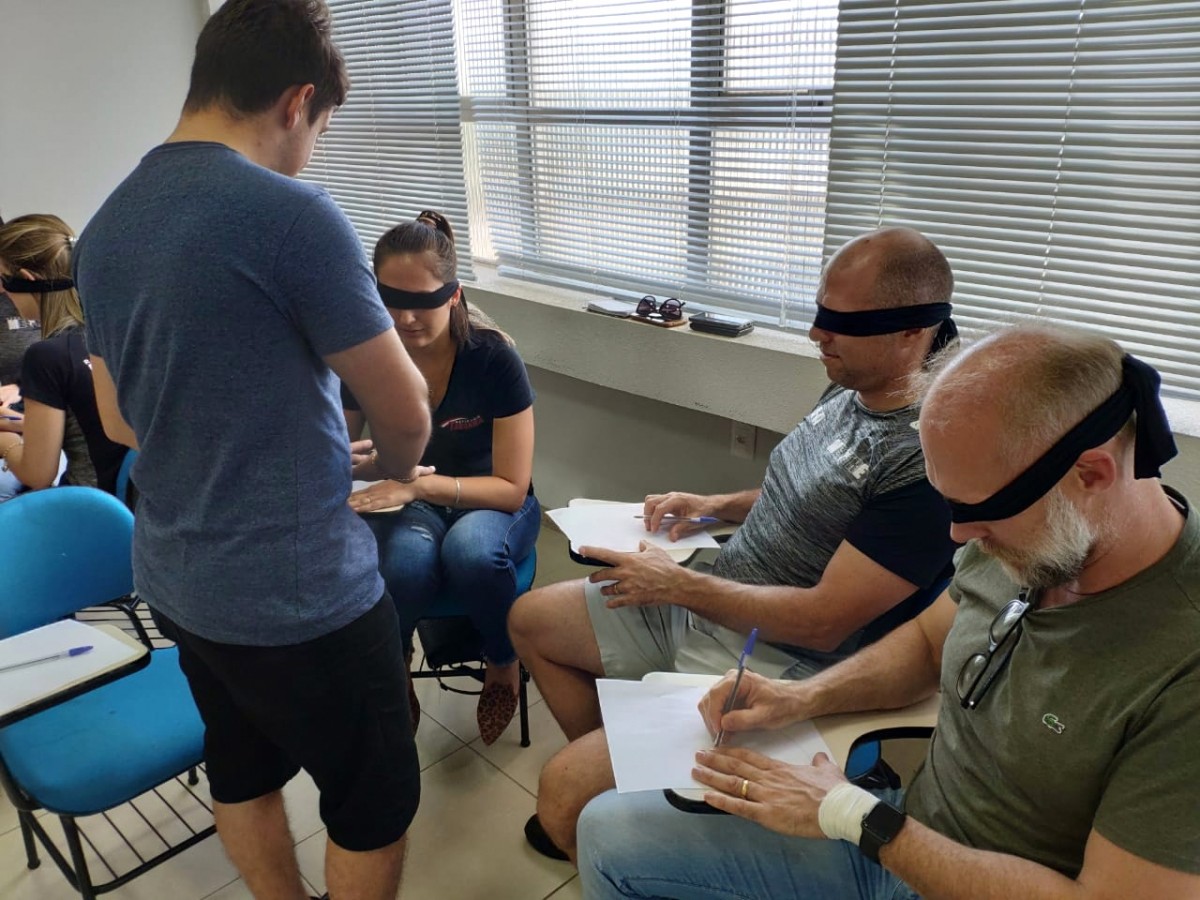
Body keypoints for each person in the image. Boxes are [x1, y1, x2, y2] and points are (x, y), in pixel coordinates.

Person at [576, 323, 1200, 900]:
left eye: (978, 512)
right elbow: (928, 644)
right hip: (907, 835)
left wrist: (856, 817)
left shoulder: (1180, 664)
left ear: (1091, 474)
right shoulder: (1032, 533)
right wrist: (800, 698)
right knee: (609, 831)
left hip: (944, 863)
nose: (959, 537)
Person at [73, 3, 430, 899]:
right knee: (374, 800)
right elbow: (407, 408)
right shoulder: (291, 215)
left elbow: (119, 422)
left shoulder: (105, 227)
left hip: (179, 581)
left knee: (241, 766)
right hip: (299, 595)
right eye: (322, 129)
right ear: (297, 102)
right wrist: (393, 468)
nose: (313, 150)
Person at [508, 226, 960, 859]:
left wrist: (680, 585)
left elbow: (825, 623)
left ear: (912, 331)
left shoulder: (926, 458)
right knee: (530, 619)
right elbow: (808, 492)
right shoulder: (855, 382)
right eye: (820, 312)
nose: (817, 334)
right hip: (714, 595)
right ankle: (635, 778)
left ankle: (620, 802)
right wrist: (714, 505)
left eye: (840, 322)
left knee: (561, 799)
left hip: (775, 656)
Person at [346, 210, 539, 745]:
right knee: (402, 566)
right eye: (390, 300)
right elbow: (338, 454)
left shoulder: (493, 358)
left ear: (453, 295)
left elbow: (511, 488)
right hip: (414, 501)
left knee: (471, 554)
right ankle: (395, 665)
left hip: (491, 499)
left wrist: (416, 484)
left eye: (424, 301)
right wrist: (357, 465)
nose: (405, 318)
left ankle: (502, 658)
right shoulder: (366, 359)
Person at [0, 214, 122, 497]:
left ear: (26, 280)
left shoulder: (47, 356)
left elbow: (38, 475)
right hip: (125, 499)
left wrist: (5, 442)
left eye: (3, 280)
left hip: (83, 504)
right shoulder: (106, 332)